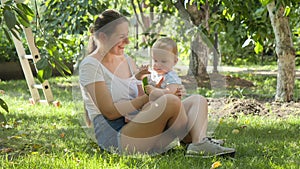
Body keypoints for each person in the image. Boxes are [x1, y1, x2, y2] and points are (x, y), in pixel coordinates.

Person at [79, 9, 235, 157]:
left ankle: (199, 142)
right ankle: (192, 140)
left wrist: (162, 91)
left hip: (140, 123)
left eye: (127, 36)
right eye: (121, 37)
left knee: (197, 100)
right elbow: (110, 112)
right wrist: (153, 97)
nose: (127, 41)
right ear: (103, 37)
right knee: (170, 101)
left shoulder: (126, 60)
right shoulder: (90, 65)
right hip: (116, 135)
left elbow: (146, 91)